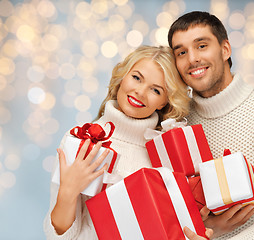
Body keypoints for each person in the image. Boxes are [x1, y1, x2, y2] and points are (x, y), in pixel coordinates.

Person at [43, 45, 211, 239]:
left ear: (164, 102)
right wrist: (68, 193)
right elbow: (58, 237)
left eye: (155, 90)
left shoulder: (167, 155)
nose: (140, 92)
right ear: (123, 76)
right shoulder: (82, 141)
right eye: (137, 78)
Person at [168, 11, 254, 239]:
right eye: (181, 52)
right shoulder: (177, 121)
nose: (192, 59)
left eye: (201, 46)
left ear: (225, 49)